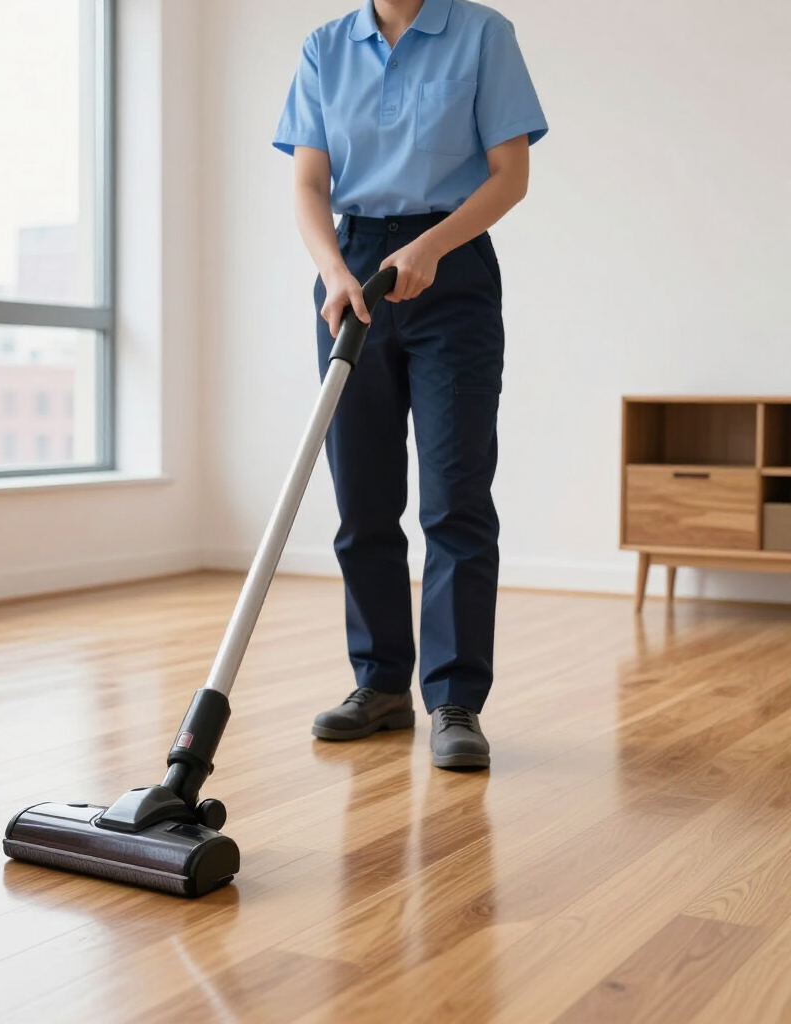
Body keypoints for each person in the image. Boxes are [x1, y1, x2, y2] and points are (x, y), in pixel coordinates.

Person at [273, 0, 548, 769]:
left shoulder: (483, 36)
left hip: (450, 270)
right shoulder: (326, 47)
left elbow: (510, 175)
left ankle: (456, 700)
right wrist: (333, 269)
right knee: (361, 499)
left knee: (455, 499)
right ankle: (382, 684)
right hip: (350, 271)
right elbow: (308, 183)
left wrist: (430, 246)